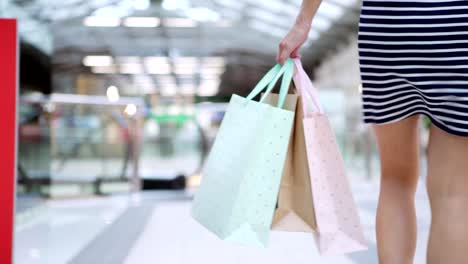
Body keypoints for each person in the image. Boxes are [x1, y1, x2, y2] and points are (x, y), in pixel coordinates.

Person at [277, 0, 468, 263]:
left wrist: (303, 22)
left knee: (395, 181)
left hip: (387, 30)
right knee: (453, 194)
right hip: (455, 26)